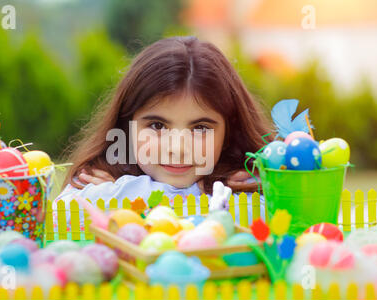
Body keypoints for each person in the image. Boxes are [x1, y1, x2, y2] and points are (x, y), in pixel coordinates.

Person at [54, 36, 272, 230]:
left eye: (200, 128)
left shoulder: (253, 184)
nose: (177, 149)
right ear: (127, 126)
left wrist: (118, 195)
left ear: (229, 133)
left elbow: (279, 217)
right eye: (158, 126)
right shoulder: (97, 176)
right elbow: (60, 214)